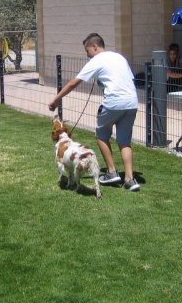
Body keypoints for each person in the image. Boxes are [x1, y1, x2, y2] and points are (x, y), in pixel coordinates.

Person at [47, 33, 140, 191]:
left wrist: (56, 99)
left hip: (113, 102)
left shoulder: (97, 60)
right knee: (124, 141)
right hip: (132, 102)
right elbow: (126, 79)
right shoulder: (119, 57)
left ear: (95, 47)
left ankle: (111, 172)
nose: (87, 55)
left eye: (87, 50)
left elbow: (73, 83)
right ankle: (130, 180)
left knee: (102, 135)